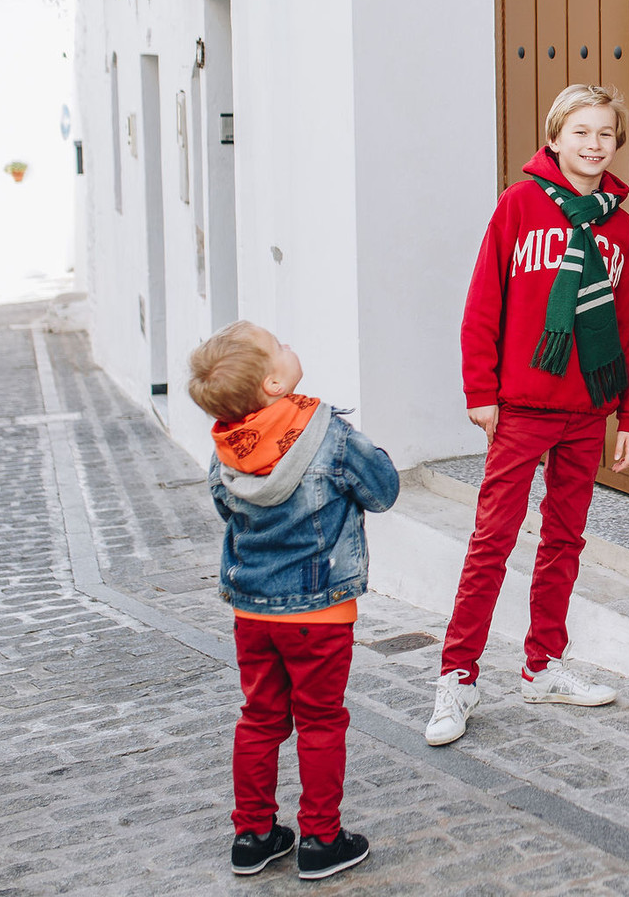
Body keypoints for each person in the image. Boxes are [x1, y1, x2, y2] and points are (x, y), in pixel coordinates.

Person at [427, 84, 629, 748]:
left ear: (615, 143)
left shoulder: (620, 227)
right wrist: (480, 389)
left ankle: (543, 664)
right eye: (580, 131)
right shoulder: (520, 206)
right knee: (491, 541)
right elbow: (483, 302)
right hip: (521, 408)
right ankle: (457, 677)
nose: (592, 143)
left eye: (605, 134)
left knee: (564, 540)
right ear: (554, 138)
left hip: (587, 411)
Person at [188, 320, 400, 881]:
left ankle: (253, 834)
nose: (287, 343)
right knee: (320, 722)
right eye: (276, 344)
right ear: (275, 383)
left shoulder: (225, 445)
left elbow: (226, 510)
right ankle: (321, 840)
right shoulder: (328, 434)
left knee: (259, 718)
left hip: (252, 613)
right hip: (319, 615)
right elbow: (383, 491)